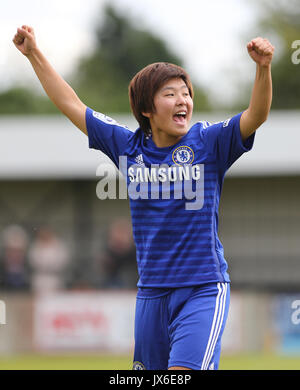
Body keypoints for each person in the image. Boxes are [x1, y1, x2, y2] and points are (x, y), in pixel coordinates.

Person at [13, 25, 274, 370]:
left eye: (186, 93)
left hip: (203, 288)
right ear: (146, 108)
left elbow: (256, 115)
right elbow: (70, 103)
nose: (183, 101)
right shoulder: (128, 146)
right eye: (171, 94)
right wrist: (33, 53)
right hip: (150, 293)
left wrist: (263, 67)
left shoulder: (209, 142)